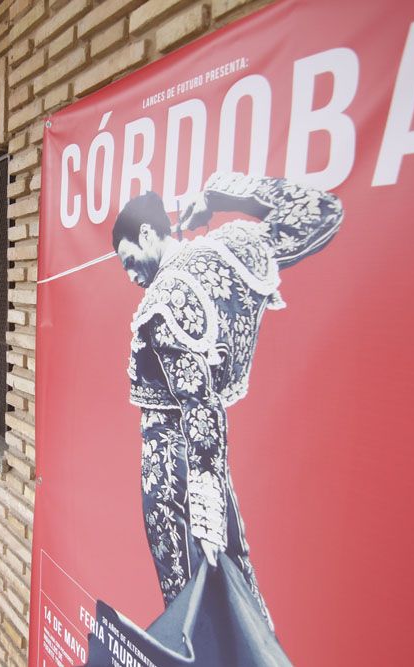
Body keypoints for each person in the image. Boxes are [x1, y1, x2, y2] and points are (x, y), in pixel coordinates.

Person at [111, 172, 343, 665]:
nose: (131, 275)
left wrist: (207, 518)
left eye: (130, 259)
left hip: (178, 479)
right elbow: (319, 212)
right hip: (210, 477)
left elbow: (199, 408)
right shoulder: (229, 249)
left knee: (192, 614)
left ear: (148, 234)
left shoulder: (163, 300)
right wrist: (221, 195)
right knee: (234, 603)